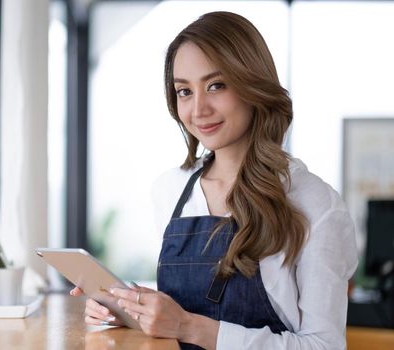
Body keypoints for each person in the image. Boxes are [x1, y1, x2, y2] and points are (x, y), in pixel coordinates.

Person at [71, 11, 358, 350]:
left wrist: (190, 328)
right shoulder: (170, 190)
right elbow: (181, 313)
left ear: (252, 85)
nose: (198, 109)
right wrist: (132, 312)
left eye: (216, 86)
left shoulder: (315, 203)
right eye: (184, 91)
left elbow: (324, 345)